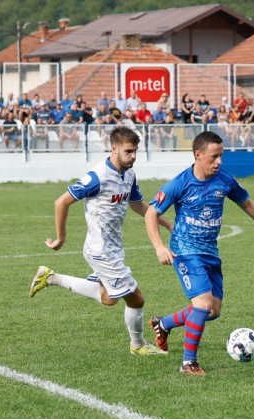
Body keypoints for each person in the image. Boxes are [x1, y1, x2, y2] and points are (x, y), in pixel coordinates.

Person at [144, 131, 254, 375]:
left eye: (221, 156)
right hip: (185, 251)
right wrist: (159, 246)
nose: (219, 161)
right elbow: (151, 213)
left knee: (212, 311)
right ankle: (188, 363)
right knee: (203, 304)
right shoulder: (179, 183)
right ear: (198, 155)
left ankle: (163, 323)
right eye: (214, 156)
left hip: (210, 252)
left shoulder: (225, 180)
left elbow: (247, 203)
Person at [29, 127, 173, 356]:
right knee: (136, 299)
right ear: (114, 149)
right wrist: (61, 238)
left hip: (113, 248)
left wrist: (166, 223)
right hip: (101, 251)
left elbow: (137, 204)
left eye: (135, 151)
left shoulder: (129, 174)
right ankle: (137, 345)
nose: (133, 156)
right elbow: (61, 202)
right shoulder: (98, 176)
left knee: (108, 299)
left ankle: (50, 277)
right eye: (128, 151)